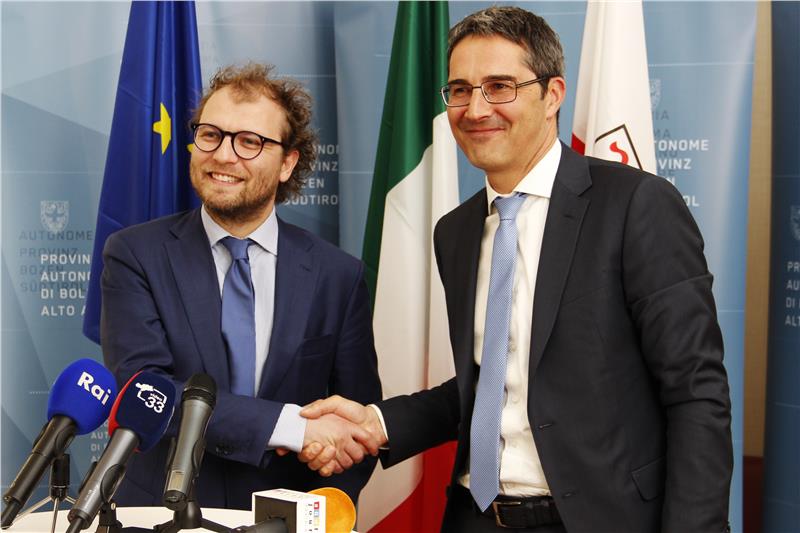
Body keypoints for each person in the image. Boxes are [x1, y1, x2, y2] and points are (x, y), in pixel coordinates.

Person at [299, 6, 732, 532]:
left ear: (552, 95)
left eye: (499, 86)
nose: (476, 108)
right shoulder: (456, 231)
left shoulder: (635, 205)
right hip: (473, 516)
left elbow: (696, 393)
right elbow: (491, 383)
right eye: (460, 90)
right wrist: (377, 422)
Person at [100, 63, 381, 509]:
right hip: (161, 512)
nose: (224, 155)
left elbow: (355, 422)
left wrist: (326, 509)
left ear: (288, 163)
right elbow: (148, 393)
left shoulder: (337, 275)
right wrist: (294, 428)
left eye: (250, 141)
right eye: (210, 134)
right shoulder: (135, 254)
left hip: (290, 518)